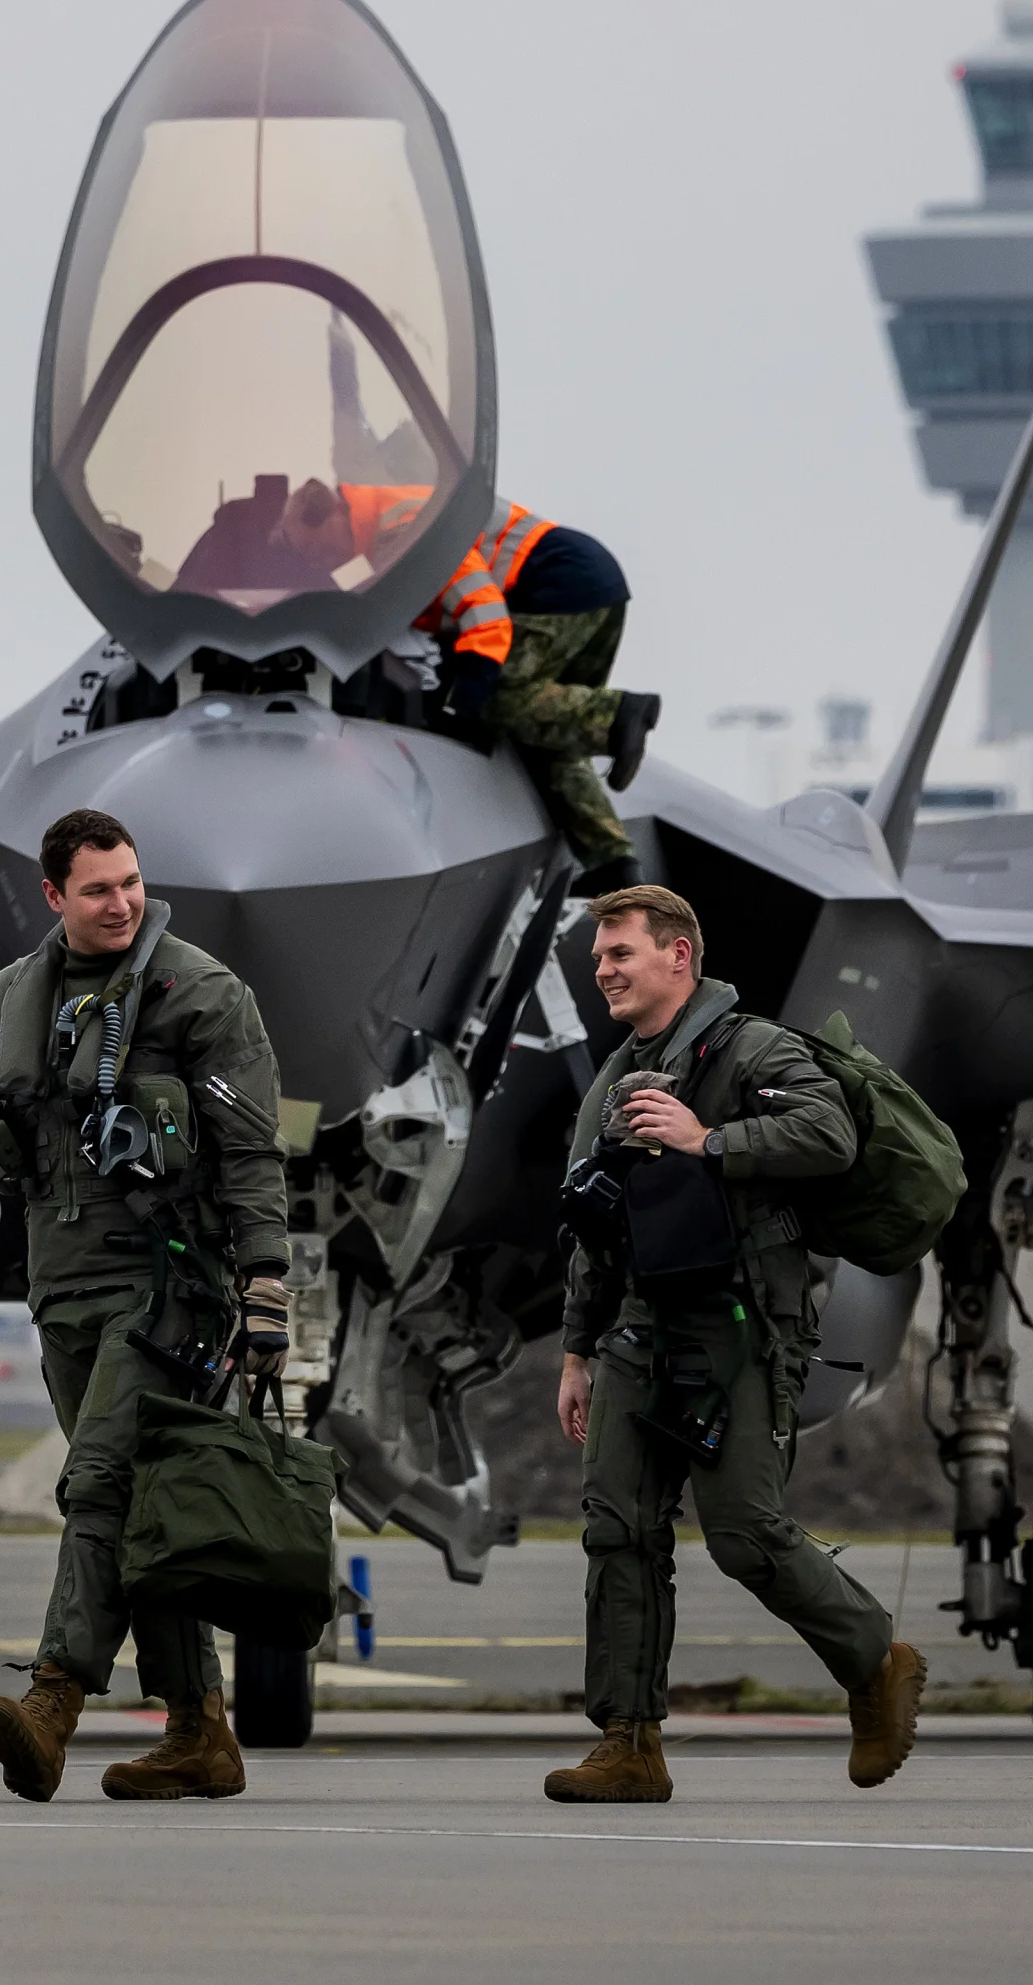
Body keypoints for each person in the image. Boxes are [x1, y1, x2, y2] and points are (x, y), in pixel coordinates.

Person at [0, 809, 290, 1804]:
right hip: (66, 1294)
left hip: (174, 1290)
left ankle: (53, 1700)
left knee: (98, 1484)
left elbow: (253, 1155)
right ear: (54, 896)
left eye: (130, 881)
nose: (120, 901)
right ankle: (201, 1732)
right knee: (142, 1510)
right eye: (97, 888)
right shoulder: (13, 1001)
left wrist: (265, 1289)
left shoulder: (200, 994)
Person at [545, 884, 924, 1805]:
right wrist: (577, 1349)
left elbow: (826, 1133)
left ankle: (877, 1662)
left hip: (741, 1327)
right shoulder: (614, 1078)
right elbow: (597, 1222)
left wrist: (708, 1138)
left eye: (620, 953)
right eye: (598, 958)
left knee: (745, 1532)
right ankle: (628, 1742)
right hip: (638, 1332)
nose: (603, 971)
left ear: (679, 955)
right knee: (617, 1530)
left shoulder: (756, 1047)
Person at [279, 486, 650, 888]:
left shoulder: (402, 528)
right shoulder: (382, 529)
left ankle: (616, 717)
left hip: (559, 584)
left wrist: (473, 692)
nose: (323, 562)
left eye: (319, 551)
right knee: (543, 731)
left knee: (503, 700)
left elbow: (485, 613)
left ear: (336, 514)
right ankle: (612, 865)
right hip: (590, 581)